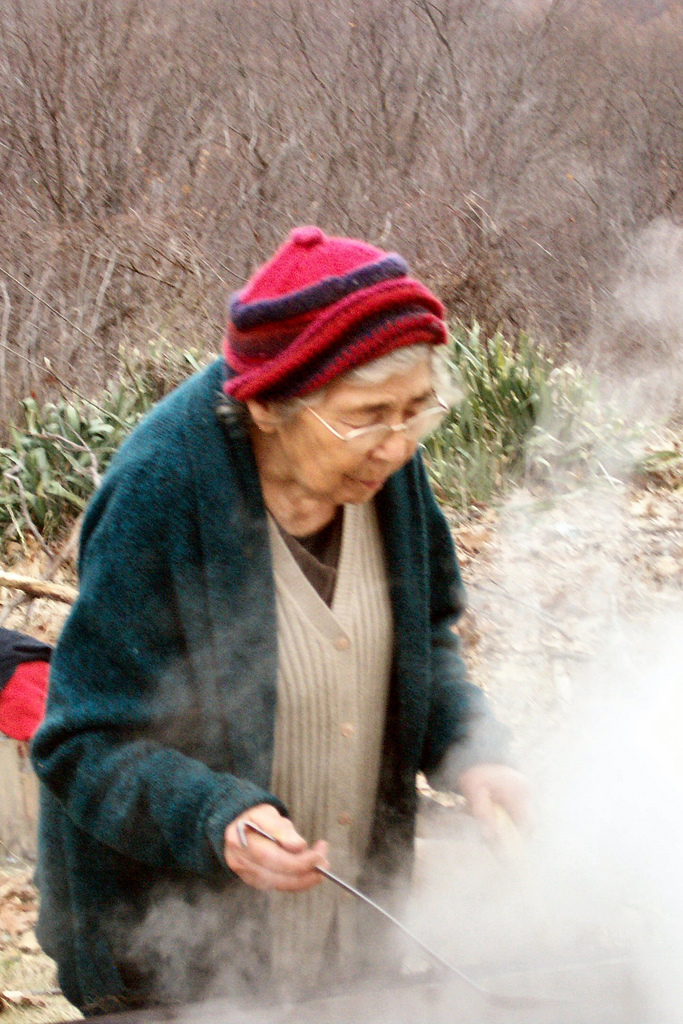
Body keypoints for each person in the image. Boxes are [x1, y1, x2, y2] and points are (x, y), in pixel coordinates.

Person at [31, 226, 529, 1014]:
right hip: (167, 959)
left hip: (347, 935)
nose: (396, 444)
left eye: (415, 410)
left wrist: (473, 752)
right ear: (266, 403)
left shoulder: (386, 468)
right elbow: (80, 744)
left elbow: (422, 643)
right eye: (367, 416)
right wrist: (213, 816)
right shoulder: (159, 491)